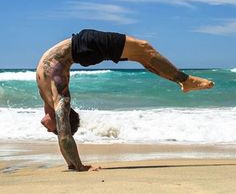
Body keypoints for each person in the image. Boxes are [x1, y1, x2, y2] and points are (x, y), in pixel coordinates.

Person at [37, 28, 214, 172]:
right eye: (54, 131)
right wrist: (79, 166)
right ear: (64, 119)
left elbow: (64, 135)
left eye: (54, 131)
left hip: (82, 46)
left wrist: (71, 164)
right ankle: (185, 80)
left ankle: (184, 81)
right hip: (83, 47)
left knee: (143, 55)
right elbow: (65, 135)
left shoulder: (49, 99)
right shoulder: (60, 99)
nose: (49, 130)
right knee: (144, 49)